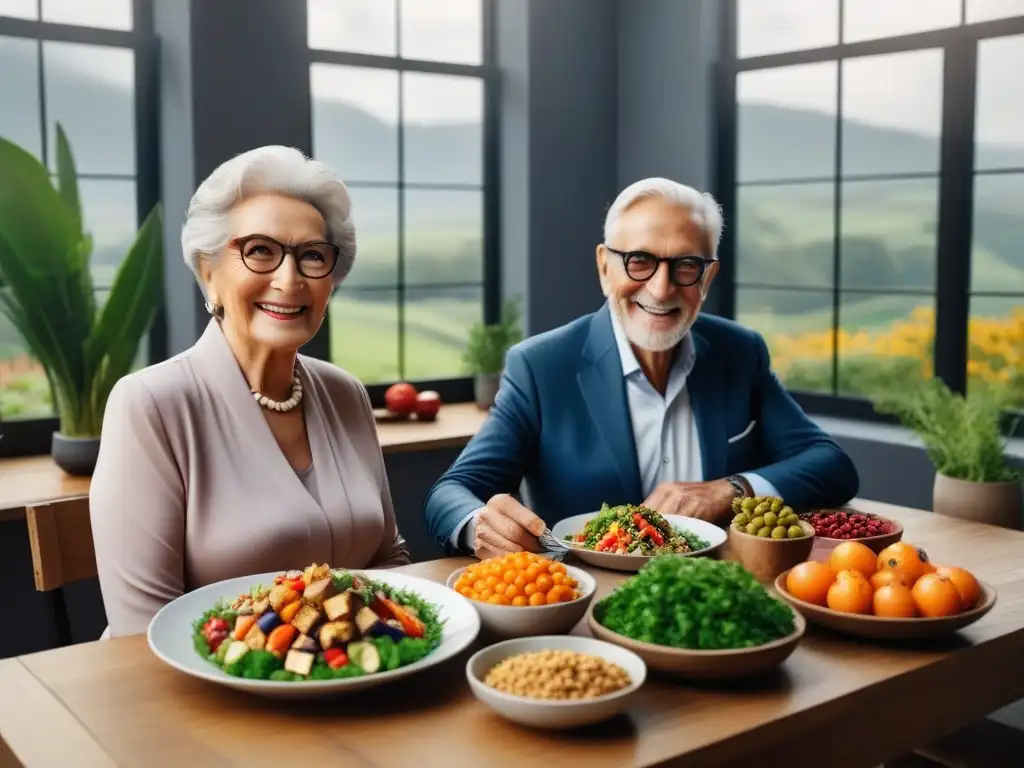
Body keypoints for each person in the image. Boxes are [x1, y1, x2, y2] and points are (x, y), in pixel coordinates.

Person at [422, 177, 859, 560]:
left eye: (686, 265)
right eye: (640, 260)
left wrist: (731, 490)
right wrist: (481, 523)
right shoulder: (540, 365)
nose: (661, 287)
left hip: (718, 598)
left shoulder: (739, 351)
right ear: (604, 266)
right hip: (588, 610)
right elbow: (450, 493)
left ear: (707, 278)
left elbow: (832, 465)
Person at [90, 146, 409, 637]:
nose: (289, 279)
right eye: (260, 250)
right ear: (208, 271)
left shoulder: (345, 392)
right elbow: (142, 632)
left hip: (355, 681)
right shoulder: (149, 405)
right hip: (201, 698)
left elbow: (388, 560)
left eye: (312, 256)